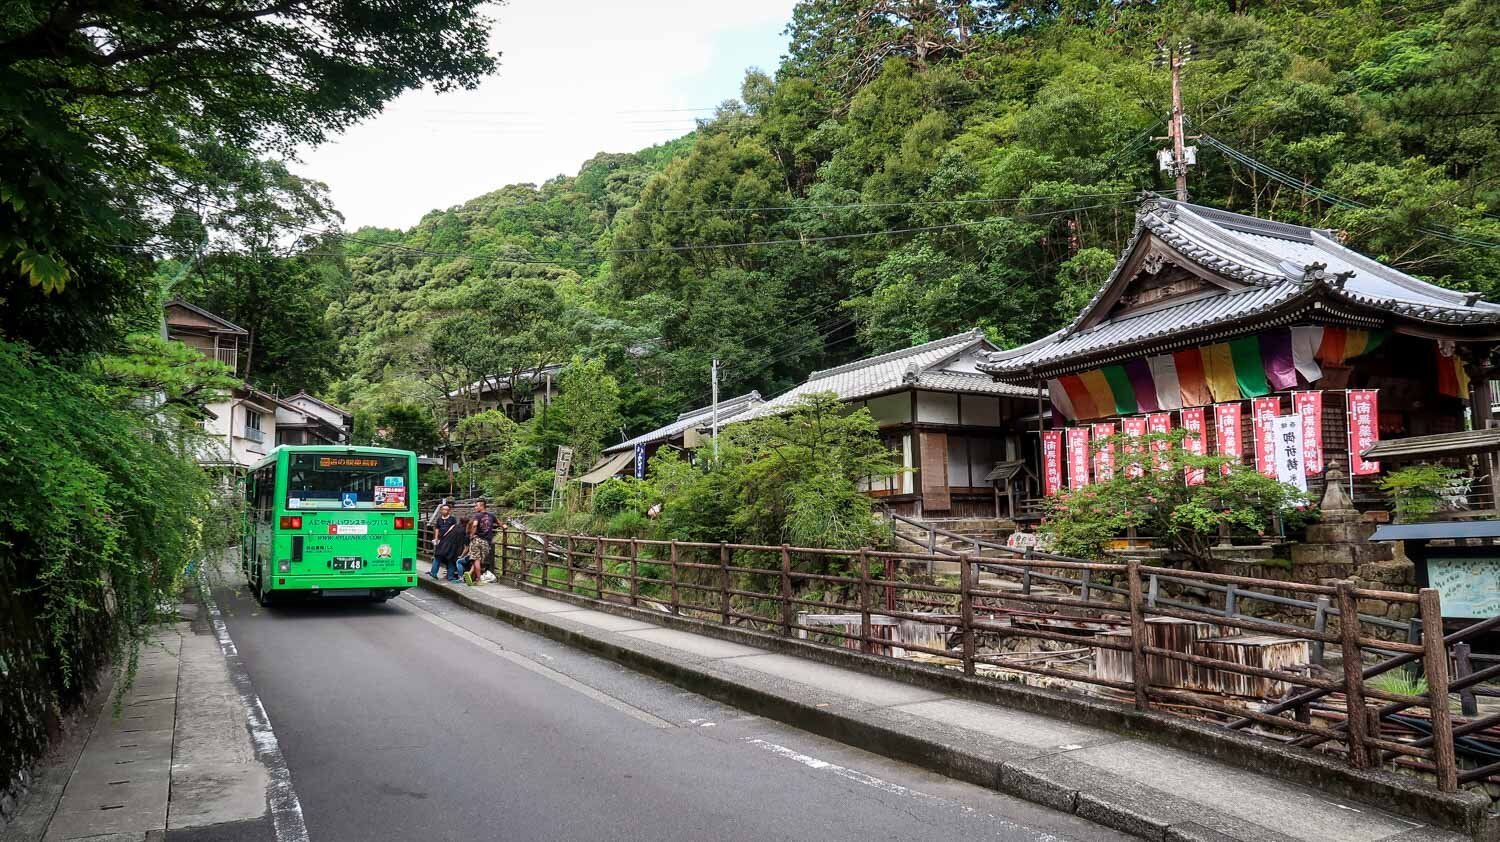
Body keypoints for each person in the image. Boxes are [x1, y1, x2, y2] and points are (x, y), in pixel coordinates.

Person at [429, 504, 466, 581]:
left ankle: (450, 576)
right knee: (439, 557)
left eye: (446, 509)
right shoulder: (439, 519)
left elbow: (454, 529)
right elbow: (437, 529)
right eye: (443, 509)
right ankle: (434, 572)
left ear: (449, 511)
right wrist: (436, 538)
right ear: (441, 510)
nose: (444, 511)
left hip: (450, 541)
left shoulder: (452, 519)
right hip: (442, 540)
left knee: (450, 558)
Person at [464, 499, 496, 585]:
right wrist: (504, 527)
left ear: (482, 506)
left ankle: (473, 575)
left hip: (476, 539)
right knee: (479, 560)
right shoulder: (491, 515)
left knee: (476, 559)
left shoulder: (477, 516)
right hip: (486, 541)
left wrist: (471, 535)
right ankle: (477, 578)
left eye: (476, 506)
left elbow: (474, 525)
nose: (475, 507)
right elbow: (501, 524)